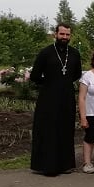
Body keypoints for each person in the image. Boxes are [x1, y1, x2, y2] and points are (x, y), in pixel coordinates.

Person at [30, 23, 82, 176]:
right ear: (55, 34)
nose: (65, 37)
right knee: (49, 131)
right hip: (48, 98)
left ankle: (65, 165)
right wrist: (49, 83)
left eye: (67, 35)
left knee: (65, 130)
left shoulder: (74, 54)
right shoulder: (45, 52)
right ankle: (47, 166)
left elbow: (77, 74)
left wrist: (63, 83)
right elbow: (35, 76)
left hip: (66, 97)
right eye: (62, 34)